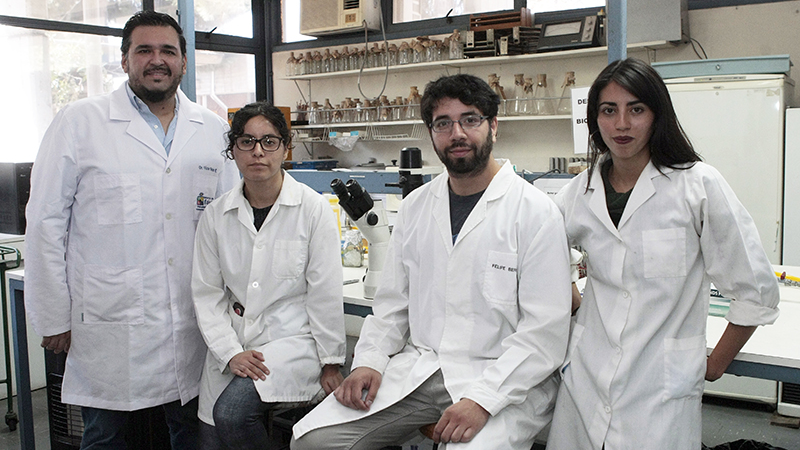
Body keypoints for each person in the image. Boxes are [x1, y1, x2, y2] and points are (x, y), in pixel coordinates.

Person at [292, 73, 573, 449]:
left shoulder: (536, 212)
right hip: (423, 370)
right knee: (314, 442)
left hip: (503, 379)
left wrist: (482, 400)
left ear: (493, 127)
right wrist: (369, 362)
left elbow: (544, 335)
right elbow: (392, 305)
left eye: (470, 119)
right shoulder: (415, 208)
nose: (457, 133)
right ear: (431, 133)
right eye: (443, 123)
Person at [24, 10, 239, 449]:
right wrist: (52, 315)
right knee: (107, 436)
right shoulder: (80, 123)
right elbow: (45, 223)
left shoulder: (212, 130)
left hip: (192, 322)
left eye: (168, 51)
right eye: (144, 50)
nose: (156, 60)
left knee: (191, 433)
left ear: (183, 62)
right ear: (124, 61)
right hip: (110, 322)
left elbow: (229, 226)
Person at [546, 58, 781, 450]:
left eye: (636, 109)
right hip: (586, 376)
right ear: (595, 119)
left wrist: (714, 365)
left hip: (660, 390)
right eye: (609, 110)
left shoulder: (697, 186)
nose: (621, 124)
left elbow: (755, 288)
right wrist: (575, 302)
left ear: (658, 115)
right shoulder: (579, 191)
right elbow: (543, 257)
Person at [191, 102, 346, 449]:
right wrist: (229, 352)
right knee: (211, 439)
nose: (258, 151)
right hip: (235, 343)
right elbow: (207, 293)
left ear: (285, 148)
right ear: (233, 150)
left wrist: (331, 361)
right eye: (246, 142)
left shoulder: (313, 209)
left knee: (231, 414)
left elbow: (324, 291)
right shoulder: (216, 216)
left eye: (269, 141)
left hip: (293, 341)